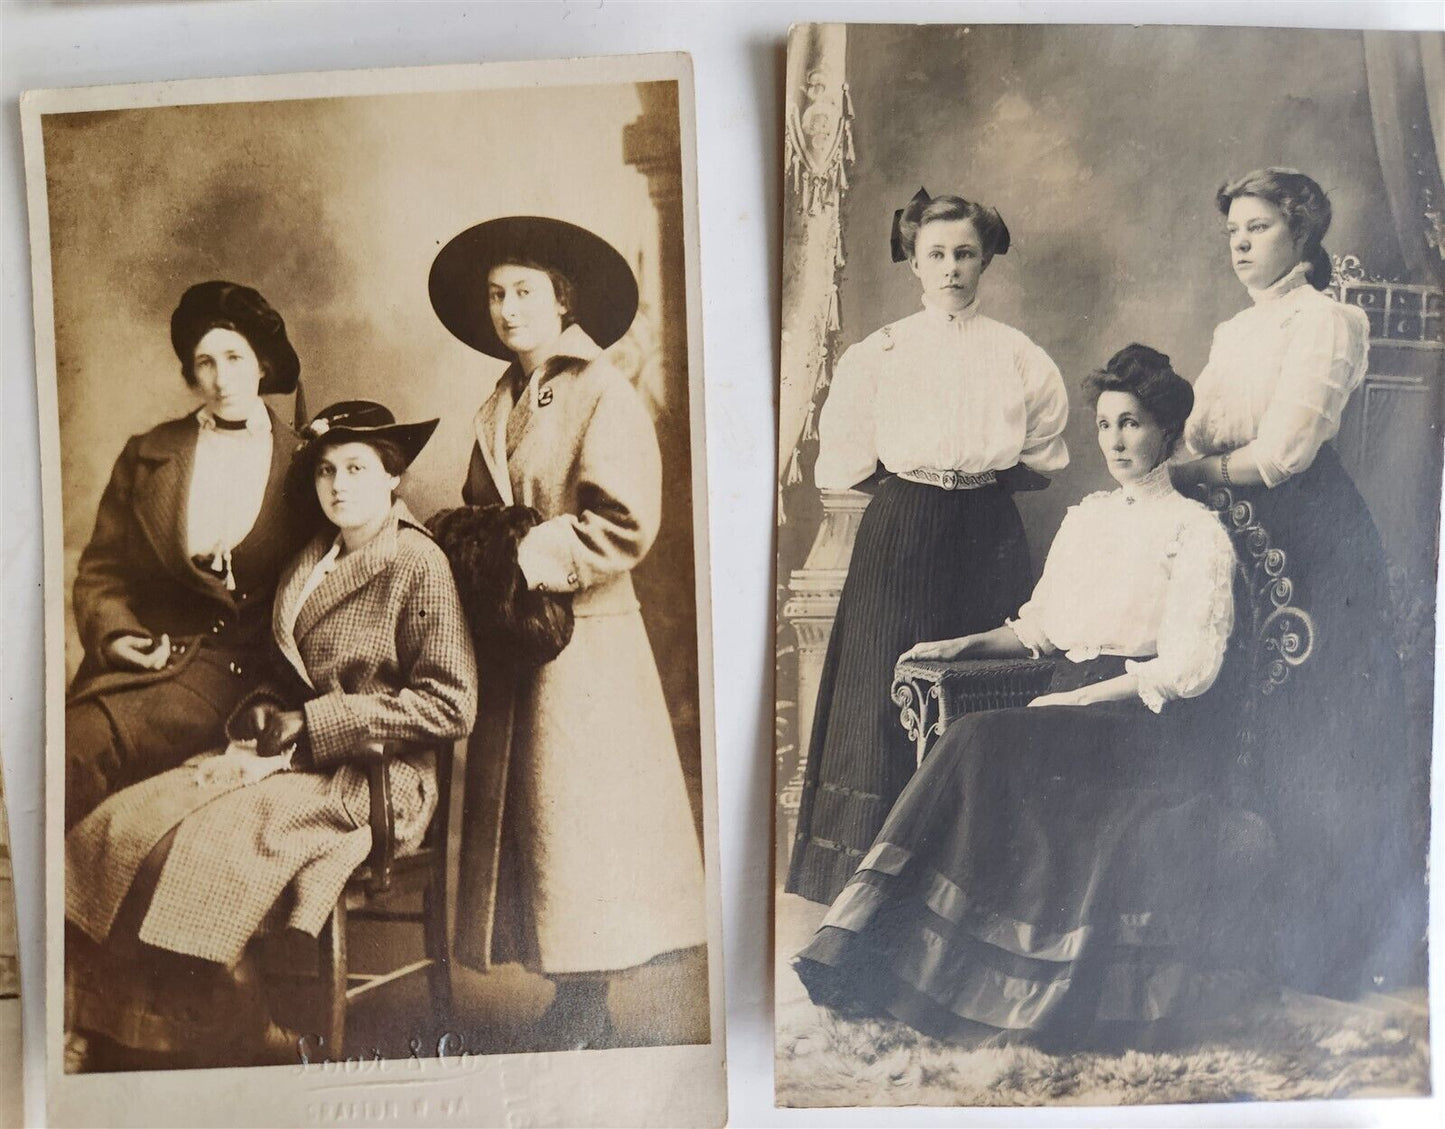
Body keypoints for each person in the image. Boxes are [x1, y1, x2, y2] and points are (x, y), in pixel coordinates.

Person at [794, 345, 1266, 1046]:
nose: (1115, 441)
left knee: (977, 736)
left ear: (1167, 432)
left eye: (1132, 423)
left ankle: (894, 957)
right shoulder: (1087, 517)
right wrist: (963, 645)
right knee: (981, 742)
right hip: (1068, 705)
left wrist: (1081, 701)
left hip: (1141, 723)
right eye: (1104, 424)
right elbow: (1041, 628)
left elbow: (1188, 668)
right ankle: (889, 958)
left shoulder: (1195, 533)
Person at [64, 401, 478, 1069]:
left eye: (356, 469)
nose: (338, 485)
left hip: (374, 777)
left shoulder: (415, 562)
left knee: (201, 842)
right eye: (325, 471)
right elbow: (280, 675)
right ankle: (114, 1020)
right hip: (290, 759)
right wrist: (262, 710)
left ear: (393, 477)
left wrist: (315, 722)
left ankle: (238, 1016)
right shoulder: (312, 558)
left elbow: (450, 706)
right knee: (127, 821)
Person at [429, 216, 706, 1048]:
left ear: (562, 300)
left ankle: (592, 1005)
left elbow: (624, 521)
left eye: (524, 291)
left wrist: (524, 556)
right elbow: (483, 508)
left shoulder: (599, 390)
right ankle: (570, 995)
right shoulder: (501, 400)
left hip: (585, 639)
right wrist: (475, 551)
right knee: (539, 827)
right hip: (520, 637)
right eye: (495, 294)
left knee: (581, 821)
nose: (507, 309)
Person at [1172, 167, 1423, 996]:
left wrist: (1193, 472)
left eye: (1258, 227)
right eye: (1232, 231)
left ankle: (1330, 950)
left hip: (1312, 548)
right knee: (1240, 717)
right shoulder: (1232, 331)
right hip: (1238, 541)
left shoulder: (1327, 320)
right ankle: (1242, 941)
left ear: (1301, 232)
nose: (1240, 244)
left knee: (1315, 731)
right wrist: (1187, 466)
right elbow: (1195, 432)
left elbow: (1281, 454)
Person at [785, 189, 1070, 905]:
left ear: (985, 262)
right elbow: (843, 462)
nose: (950, 268)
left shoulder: (1018, 354)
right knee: (887, 681)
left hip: (987, 530)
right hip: (903, 526)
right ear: (913, 261)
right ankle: (870, 879)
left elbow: (1041, 454)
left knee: (982, 684)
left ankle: (974, 877)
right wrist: (916, 490)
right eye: (935, 254)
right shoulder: (878, 353)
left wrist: (972, 484)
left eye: (964, 254)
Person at [65, 281, 310, 829]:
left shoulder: (303, 466)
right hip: (145, 658)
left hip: (233, 674)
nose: (221, 379)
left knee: (80, 747)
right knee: (59, 750)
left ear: (262, 364)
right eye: (205, 362)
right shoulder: (149, 454)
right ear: (191, 373)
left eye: (234, 358)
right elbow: (102, 572)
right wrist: (116, 634)